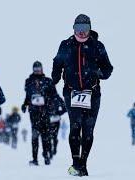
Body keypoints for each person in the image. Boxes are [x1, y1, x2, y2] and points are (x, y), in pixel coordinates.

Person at [52, 14, 113, 176]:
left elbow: (108, 69)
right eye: (78, 29)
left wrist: (98, 73)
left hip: (92, 93)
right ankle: (75, 162)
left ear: (90, 29)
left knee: (88, 130)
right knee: (75, 126)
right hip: (72, 92)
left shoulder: (97, 46)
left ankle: (83, 164)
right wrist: (55, 77)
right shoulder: (65, 45)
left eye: (85, 29)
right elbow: (57, 62)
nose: (81, 33)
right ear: (73, 29)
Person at [22, 61, 57, 166]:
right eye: (35, 69)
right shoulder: (29, 81)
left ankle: (46, 156)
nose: (37, 71)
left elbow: (53, 95)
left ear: (42, 69)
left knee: (46, 135)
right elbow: (28, 95)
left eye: (38, 69)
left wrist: (48, 101)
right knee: (35, 135)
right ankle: (35, 158)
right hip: (33, 112)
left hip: (45, 111)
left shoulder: (48, 81)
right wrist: (25, 104)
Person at [48, 94, 67, 158]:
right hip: (48, 120)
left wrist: (58, 113)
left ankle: (53, 149)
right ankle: (50, 150)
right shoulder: (46, 96)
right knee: (49, 136)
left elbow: (65, 108)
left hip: (55, 120)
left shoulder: (57, 98)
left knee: (53, 136)